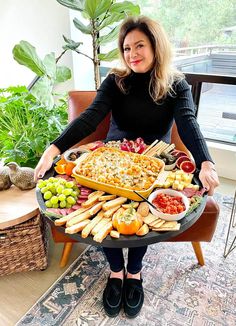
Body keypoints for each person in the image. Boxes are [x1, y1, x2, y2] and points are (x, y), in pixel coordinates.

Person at [34, 16, 219, 318]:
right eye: (126, 47)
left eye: (139, 46)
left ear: (156, 46)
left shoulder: (176, 84)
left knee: (139, 210)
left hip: (153, 161)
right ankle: (115, 270)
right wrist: (54, 148)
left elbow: (187, 122)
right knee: (103, 209)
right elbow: (92, 116)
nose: (132, 54)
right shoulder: (115, 80)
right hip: (111, 157)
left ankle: (134, 271)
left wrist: (206, 162)